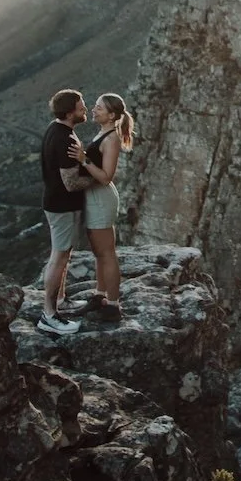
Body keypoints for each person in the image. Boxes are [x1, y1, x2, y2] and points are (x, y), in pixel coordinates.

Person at [36, 88, 96, 335]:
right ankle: (49, 315)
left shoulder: (56, 129)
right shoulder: (66, 140)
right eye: (81, 106)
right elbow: (71, 183)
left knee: (63, 255)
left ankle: (61, 300)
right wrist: (98, 177)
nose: (85, 109)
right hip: (63, 207)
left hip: (56, 204)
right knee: (59, 257)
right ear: (70, 110)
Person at [74, 92, 136, 323]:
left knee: (107, 253)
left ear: (111, 115)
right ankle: (100, 296)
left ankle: (112, 305)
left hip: (101, 198)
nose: (93, 109)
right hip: (94, 197)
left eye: (98, 107)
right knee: (99, 253)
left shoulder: (112, 139)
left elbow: (106, 176)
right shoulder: (104, 133)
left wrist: (83, 159)